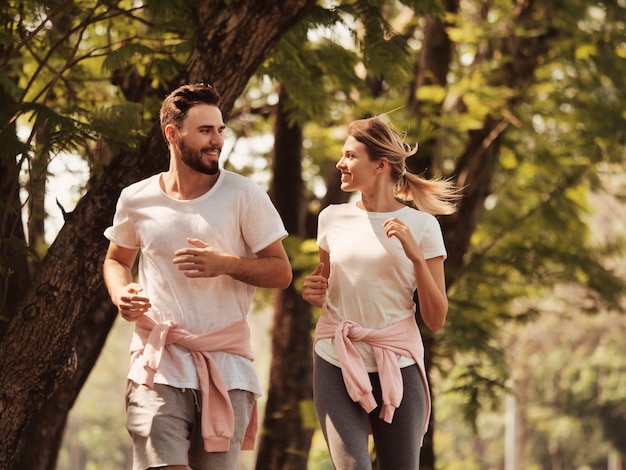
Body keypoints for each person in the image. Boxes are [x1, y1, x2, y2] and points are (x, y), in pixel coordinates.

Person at [103, 83, 292, 470]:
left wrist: (226, 264)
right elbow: (116, 260)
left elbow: (281, 271)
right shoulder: (135, 199)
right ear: (173, 134)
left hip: (227, 370)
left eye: (220, 130)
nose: (217, 141)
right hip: (157, 364)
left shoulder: (244, 195)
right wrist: (122, 294)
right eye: (206, 131)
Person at [301, 117, 459, 470]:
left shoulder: (422, 226)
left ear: (380, 165)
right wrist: (311, 291)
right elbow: (324, 282)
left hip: (398, 361)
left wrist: (416, 256)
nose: (341, 164)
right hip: (336, 357)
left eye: (350, 156)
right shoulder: (331, 218)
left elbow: (435, 319)